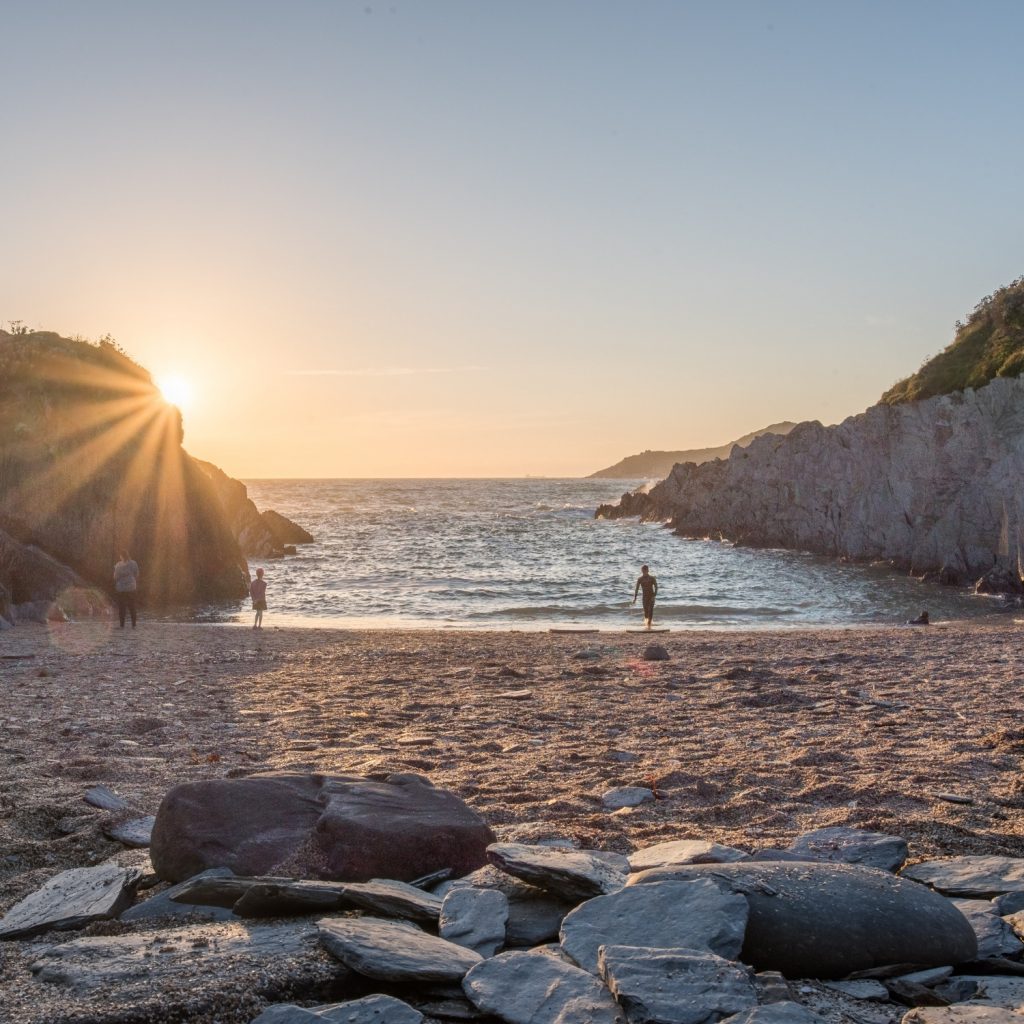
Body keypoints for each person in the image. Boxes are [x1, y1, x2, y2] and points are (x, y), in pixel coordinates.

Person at [113, 550, 139, 629]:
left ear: (121, 556)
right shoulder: (134, 563)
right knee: (132, 606)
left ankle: (122, 625)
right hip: (131, 587)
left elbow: (115, 577)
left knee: (122, 608)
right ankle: (134, 625)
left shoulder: (118, 565)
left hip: (121, 589)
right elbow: (137, 574)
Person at [632, 564, 658, 629]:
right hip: (644, 597)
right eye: (643, 571)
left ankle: (649, 625)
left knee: (650, 610)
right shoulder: (640, 579)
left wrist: (654, 595)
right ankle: (647, 624)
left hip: (651, 596)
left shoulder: (652, 578)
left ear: (648, 570)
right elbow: (637, 589)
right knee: (646, 612)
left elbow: (656, 587)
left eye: (645, 571)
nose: (644, 572)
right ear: (642, 571)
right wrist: (635, 598)